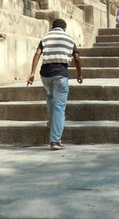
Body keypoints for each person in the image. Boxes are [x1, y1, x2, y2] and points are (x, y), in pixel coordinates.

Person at [27, 19, 83, 150]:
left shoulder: (46, 37)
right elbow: (77, 58)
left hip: (45, 74)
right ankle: (55, 141)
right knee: (59, 107)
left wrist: (32, 73)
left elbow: (37, 53)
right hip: (60, 74)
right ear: (64, 28)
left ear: (53, 27)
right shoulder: (69, 38)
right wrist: (79, 74)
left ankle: (52, 123)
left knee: (50, 97)